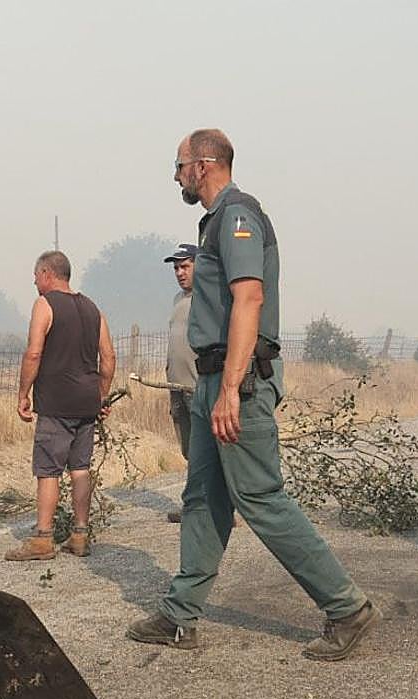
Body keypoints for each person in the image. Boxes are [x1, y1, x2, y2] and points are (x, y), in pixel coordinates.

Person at [126, 128, 381, 661]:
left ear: (204, 164)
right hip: (212, 378)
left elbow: (249, 300)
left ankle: (346, 607)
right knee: (202, 498)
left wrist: (232, 392)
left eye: (178, 166)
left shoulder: (238, 216)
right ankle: (180, 616)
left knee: (260, 497)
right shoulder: (215, 221)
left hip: (235, 381)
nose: (175, 176)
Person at [5, 250, 116, 561]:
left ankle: (43, 538)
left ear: (47, 274)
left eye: (36, 275)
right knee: (80, 468)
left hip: (56, 402)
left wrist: (23, 393)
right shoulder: (94, 309)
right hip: (86, 403)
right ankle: (80, 534)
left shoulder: (45, 305)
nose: (34, 281)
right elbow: (108, 359)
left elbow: (33, 354)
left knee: (49, 471)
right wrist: (101, 396)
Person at [163, 243, 199, 524]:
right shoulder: (177, 299)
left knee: (204, 450)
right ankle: (197, 503)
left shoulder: (208, 298)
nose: (179, 272)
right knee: (189, 449)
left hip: (198, 388)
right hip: (176, 387)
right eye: (176, 268)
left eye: (185, 266)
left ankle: (212, 507)